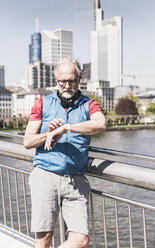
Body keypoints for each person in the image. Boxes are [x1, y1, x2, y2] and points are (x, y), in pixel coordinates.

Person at [24, 57, 106, 248]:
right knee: (44, 238)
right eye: (63, 81)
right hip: (45, 175)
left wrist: (66, 128)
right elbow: (28, 141)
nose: (67, 85)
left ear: (79, 79)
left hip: (76, 179)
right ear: (57, 81)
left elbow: (100, 124)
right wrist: (48, 134)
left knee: (80, 239)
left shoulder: (90, 104)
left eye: (72, 80)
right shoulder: (42, 103)